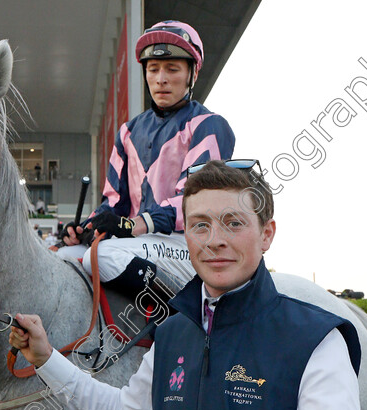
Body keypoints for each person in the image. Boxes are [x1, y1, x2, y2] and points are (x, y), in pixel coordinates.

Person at [11, 160, 367, 410]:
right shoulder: (172, 334)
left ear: (267, 234)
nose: (215, 240)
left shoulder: (316, 343)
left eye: (233, 223)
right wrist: (46, 359)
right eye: (200, 225)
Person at [58, 21, 235, 300]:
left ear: (193, 73)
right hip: (138, 244)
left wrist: (133, 225)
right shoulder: (127, 131)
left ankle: (180, 320)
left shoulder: (209, 125)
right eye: (153, 69)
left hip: (187, 244)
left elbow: (194, 202)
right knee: (65, 256)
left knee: (103, 255)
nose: (161, 79)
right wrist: (85, 228)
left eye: (172, 69)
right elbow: (114, 203)